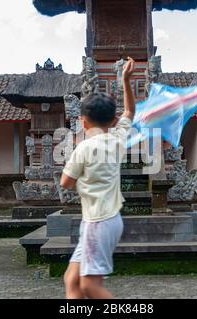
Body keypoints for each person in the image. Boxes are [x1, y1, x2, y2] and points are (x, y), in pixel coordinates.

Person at [60, 57, 136, 299]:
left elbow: (65, 182)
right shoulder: (118, 139)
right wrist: (125, 80)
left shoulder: (83, 148)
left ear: (82, 121)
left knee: (90, 286)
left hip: (98, 222)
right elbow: (130, 111)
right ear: (113, 121)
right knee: (71, 279)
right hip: (106, 220)